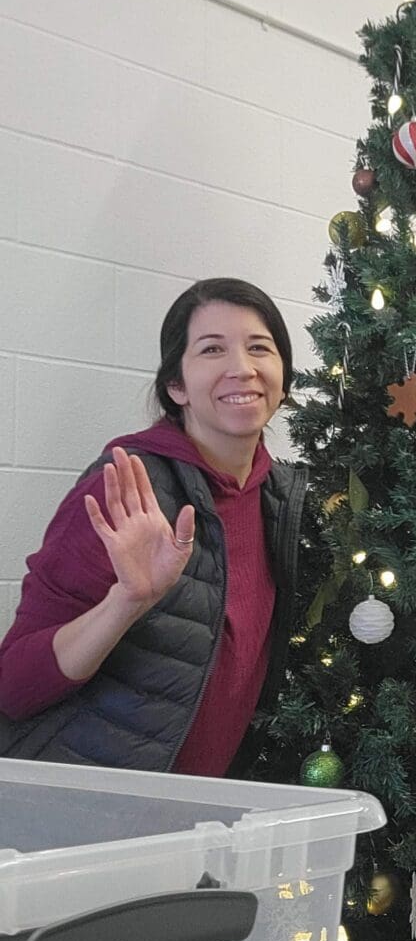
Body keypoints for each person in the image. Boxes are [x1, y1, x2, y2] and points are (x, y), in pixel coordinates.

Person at [0, 278, 306, 776]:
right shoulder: (124, 487)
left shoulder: (280, 501)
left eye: (259, 348)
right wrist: (126, 602)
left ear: (283, 376)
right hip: (85, 815)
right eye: (212, 349)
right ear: (176, 385)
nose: (242, 368)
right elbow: (12, 686)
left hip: (196, 822)